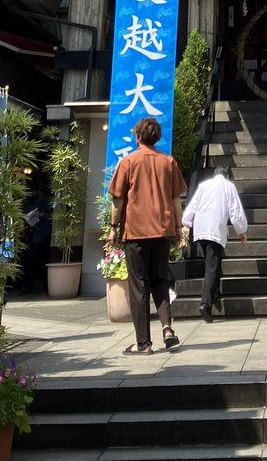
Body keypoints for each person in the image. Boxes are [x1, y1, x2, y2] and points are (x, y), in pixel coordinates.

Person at [107, 116, 187, 354]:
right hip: (162, 231)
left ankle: (143, 343)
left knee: (138, 286)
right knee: (161, 280)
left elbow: (117, 200)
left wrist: (113, 228)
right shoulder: (168, 162)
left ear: (138, 136)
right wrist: (179, 226)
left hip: (136, 231)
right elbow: (176, 200)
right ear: (157, 137)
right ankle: (167, 328)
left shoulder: (128, 162)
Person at [181, 166, 247, 322]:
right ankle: (206, 303)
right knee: (212, 266)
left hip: (200, 229)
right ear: (227, 175)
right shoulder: (228, 186)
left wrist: (186, 223)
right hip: (215, 230)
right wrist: (241, 231)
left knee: (213, 263)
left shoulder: (204, 186)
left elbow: (193, 205)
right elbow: (235, 210)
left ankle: (214, 292)